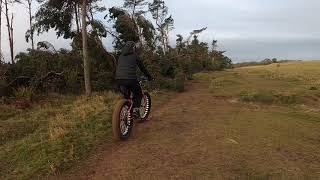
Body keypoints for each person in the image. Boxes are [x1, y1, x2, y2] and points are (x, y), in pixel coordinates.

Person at [116, 41, 153, 118]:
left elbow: (122, 68)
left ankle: (126, 111)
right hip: (130, 80)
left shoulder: (120, 56)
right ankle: (135, 110)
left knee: (127, 96)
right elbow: (142, 68)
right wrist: (149, 77)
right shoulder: (135, 55)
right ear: (133, 48)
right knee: (138, 94)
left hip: (119, 80)